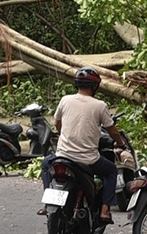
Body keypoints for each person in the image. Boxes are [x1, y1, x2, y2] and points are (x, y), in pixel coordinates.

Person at [40, 67, 127, 223]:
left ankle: (48, 203)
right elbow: (113, 131)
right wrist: (120, 143)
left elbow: (57, 122)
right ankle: (105, 210)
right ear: (94, 86)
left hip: (63, 156)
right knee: (111, 171)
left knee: (46, 164)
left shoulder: (65, 100)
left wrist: (63, 135)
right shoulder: (100, 106)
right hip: (88, 160)